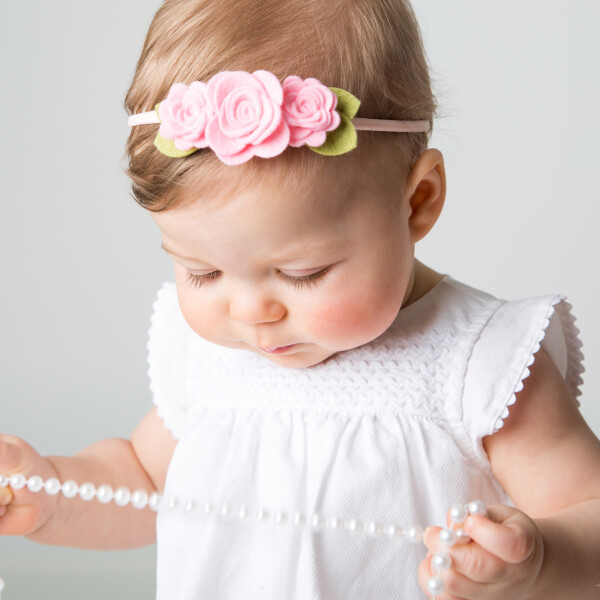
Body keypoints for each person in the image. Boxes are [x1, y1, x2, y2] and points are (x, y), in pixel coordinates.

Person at [1, 0, 600, 598]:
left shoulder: (479, 364)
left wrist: (540, 563)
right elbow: (142, 479)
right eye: (202, 272)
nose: (250, 313)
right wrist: (51, 491)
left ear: (417, 201)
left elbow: (587, 508)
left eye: (304, 272)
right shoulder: (209, 358)